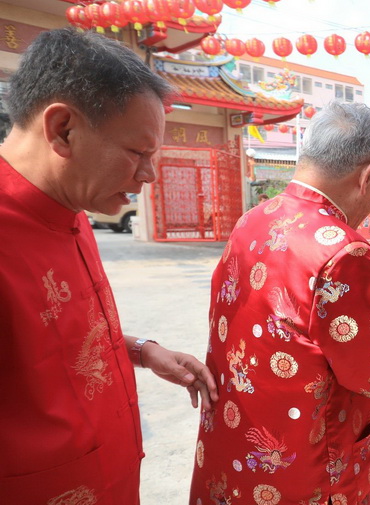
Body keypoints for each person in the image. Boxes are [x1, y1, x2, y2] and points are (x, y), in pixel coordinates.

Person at [0, 28, 218, 503]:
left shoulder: (73, 206)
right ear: (63, 129)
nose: (149, 174)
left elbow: (51, 338)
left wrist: (140, 350)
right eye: (139, 153)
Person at [189, 102, 370, 504]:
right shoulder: (343, 250)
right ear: (368, 176)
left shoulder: (252, 219)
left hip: (238, 436)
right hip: (302, 460)